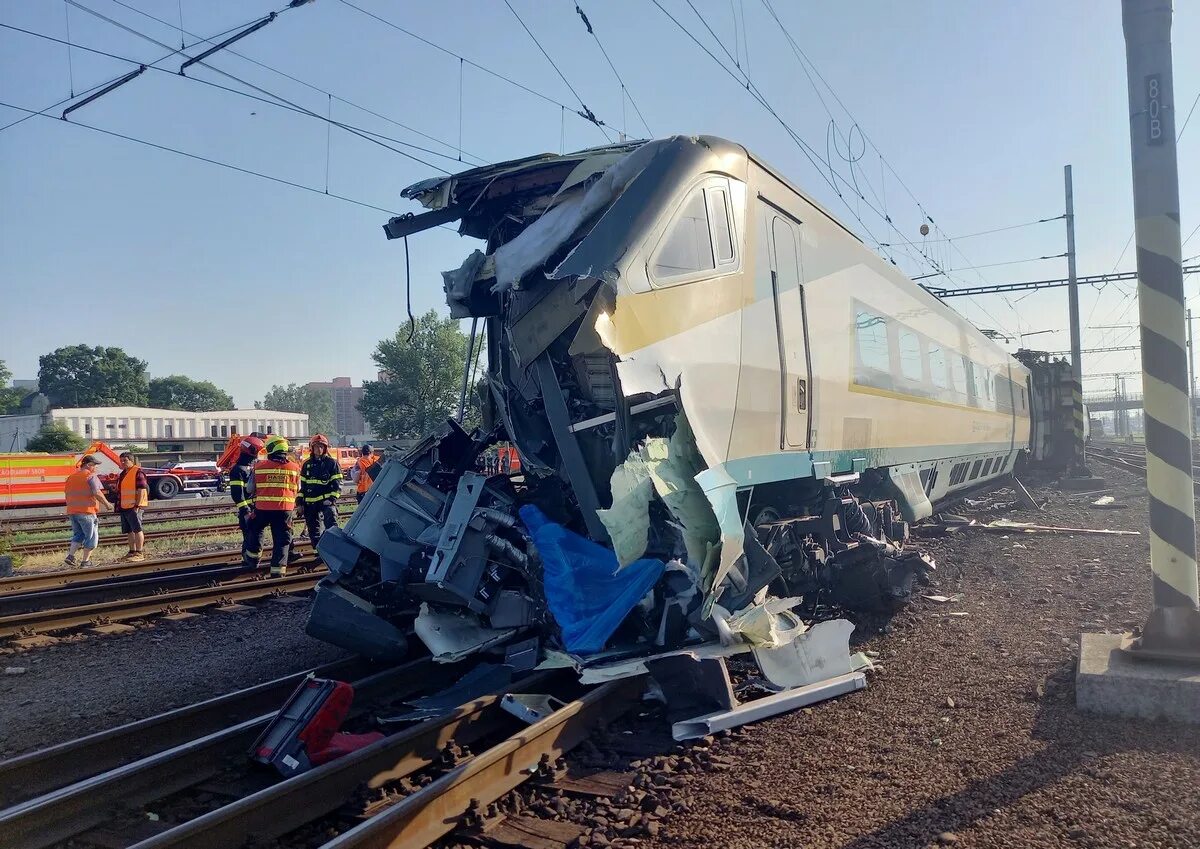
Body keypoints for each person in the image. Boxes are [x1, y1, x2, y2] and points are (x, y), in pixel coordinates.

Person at [243, 436, 300, 577]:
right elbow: (298, 487)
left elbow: (249, 489)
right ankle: (277, 572)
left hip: (263, 508)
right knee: (282, 539)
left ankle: (253, 558)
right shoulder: (294, 468)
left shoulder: (259, 466)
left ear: (270, 449)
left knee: (255, 528)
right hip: (285, 510)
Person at [64, 454, 113, 568]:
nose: (96, 468)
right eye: (95, 465)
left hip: (72, 511)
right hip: (87, 511)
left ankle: (70, 556)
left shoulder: (71, 477)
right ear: (89, 465)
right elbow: (97, 492)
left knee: (78, 534)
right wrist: (107, 504)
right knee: (91, 537)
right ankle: (85, 562)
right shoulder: (90, 476)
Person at [297, 434, 342, 549]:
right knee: (313, 530)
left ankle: (334, 549)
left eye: (321, 446)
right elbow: (303, 486)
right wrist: (300, 503)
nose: (319, 449)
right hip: (310, 503)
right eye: (316, 446)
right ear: (312, 448)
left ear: (325, 448)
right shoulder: (306, 465)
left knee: (331, 525)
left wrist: (332, 500)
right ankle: (319, 551)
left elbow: (337, 484)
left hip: (326, 502)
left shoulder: (332, 463)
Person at [229, 435, 265, 565]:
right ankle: (249, 561)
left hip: (258, 509)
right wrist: (245, 510)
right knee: (250, 537)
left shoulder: (253, 467)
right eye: (259, 452)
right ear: (252, 451)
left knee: (256, 537)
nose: (260, 455)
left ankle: (252, 561)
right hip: (248, 511)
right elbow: (237, 494)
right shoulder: (238, 470)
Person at [115, 452, 150, 561]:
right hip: (124, 506)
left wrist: (137, 505)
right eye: (121, 461)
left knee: (137, 529)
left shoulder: (138, 472)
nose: (122, 463)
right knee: (129, 530)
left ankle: (139, 552)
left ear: (131, 461)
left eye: (125, 460)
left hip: (133, 506)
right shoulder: (123, 473)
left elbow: (142, 489)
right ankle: (132, 551)